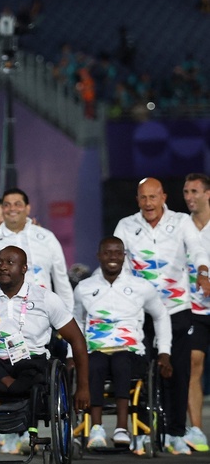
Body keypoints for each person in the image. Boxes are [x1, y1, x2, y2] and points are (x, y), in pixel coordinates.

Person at [114, 177, 210, 455]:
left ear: (163, 197)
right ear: (137, 200)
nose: (148, 203)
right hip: (140, 312)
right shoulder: (126, 225)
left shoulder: (181, 222)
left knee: (178, 372)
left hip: (176, 309)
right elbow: (116, 260)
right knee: (140, 374)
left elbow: (198, 250)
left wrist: (203, 273)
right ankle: (142, 432)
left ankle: (176, 433)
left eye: (153, 197)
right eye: (143, 198)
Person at [0, 246, 90, 454]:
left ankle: (6, 393)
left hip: (29, 360)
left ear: (24, 268)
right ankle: (8, 389)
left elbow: (77, 340)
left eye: (9, 263)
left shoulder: (46, 299)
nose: (2, 267)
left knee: (34, 370)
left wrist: (83, 386)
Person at [73, 236, 173, 450]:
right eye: (107, 252)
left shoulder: (140, 286)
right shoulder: (84, 287)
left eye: (117, 252)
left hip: (130, 351)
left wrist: (164, 352)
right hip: (97, 349)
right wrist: (72, 356)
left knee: (120, 362)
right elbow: (77, 324)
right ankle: (97, 428)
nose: (112, 257)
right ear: (99, 256)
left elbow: (161, 316)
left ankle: (121, 428)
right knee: (95, 364)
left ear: (124, 256)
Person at [0, 188, 74, 312]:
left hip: (37, 315)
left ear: (28, 208)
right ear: (2, 209)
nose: (12, 209)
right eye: (7, 205)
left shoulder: (46, 238)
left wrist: (67, 317)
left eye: (18, 204)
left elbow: (61, 280)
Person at [183, 173, 210, 452]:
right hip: (195, 309)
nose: (189, 197)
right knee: (194, 365)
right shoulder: (181, 227)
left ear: (207, 194)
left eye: (194, 191)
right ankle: (196, 430)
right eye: (186, 192)